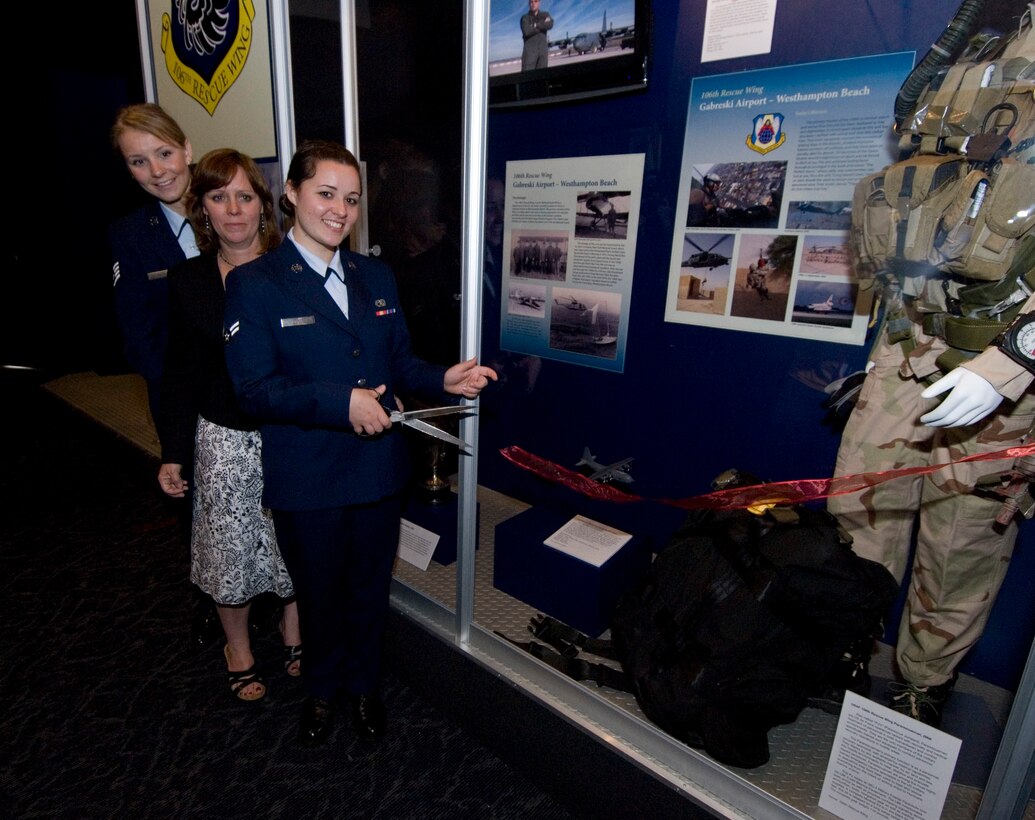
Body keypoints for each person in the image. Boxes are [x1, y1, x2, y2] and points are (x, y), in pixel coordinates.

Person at [223, 139, 497, 745]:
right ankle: (322, 690)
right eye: (326, 194)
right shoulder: (255, 284)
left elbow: (397, 361)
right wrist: (340, 403)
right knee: (318, 596)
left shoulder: (375, 274)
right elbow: (254, 390)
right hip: (309, 475)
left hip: (376, 471)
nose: (340, 210)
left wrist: (442, 377)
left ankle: (365, 685)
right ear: (291, 194)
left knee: (371, 590)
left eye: (350, 199)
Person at [828, 288, 1035, 727]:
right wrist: (883, 353)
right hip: (910, 341)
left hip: (1008, 351)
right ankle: (848, 642)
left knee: (961, 539)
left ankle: (925, 679)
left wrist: (1007, 366)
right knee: (862, 512)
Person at [157, 148, 301, 703]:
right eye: (220, 197)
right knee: (227, 549)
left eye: (245, 196)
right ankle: (236, 646)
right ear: (204, 209)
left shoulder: (292, 269)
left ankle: (295, 629)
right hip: (222, 438)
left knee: (293, 542)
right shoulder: (188, 280)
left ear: (264, 207)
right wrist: (173, 451)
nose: (234, 209)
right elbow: (180, 373)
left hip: (288, 433)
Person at [108, 103, 198, 424]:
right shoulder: (129, 235)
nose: (157, 171)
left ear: (186, 149)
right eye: (139, 161)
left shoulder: (235, 208)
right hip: (182, 399)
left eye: (164, 153)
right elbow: (138, 333)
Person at [520, 0, 554, 71]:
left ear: (539, 3)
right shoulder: (525, 18)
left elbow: (550, 24)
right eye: (531, 2)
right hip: (529, 55)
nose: (533, 4)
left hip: (542, 53)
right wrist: (543, 25)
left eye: (536, 1)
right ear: (529, 4)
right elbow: (527, 31)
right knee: (528, 78)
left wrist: (535, 25)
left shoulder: (545, 14)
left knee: (542, 78)